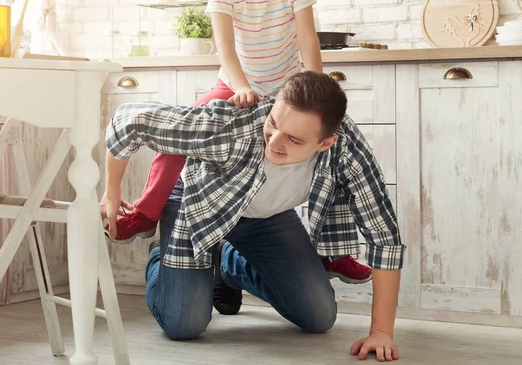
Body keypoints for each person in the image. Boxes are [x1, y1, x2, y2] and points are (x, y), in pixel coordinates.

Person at [100, 0, 371, 284]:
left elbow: (307, 39)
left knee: (332, 143)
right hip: (236, 84)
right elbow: (225, 50)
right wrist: (242, 86)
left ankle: (334, 250)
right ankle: (146, 211)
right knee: (185, 131)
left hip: (288, 88)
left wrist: (316, 92)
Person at [104, 72, 406, 361]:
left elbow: (385, 239)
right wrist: (111, 191)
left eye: (294, 140)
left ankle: (228, 263)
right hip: (198, 205)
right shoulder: (233, 124)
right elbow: (129, 119)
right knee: (184, 325)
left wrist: (381, 332)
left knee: (318, 315)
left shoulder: (348, 151)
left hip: (266, 216)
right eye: (273, 123)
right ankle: (162, 257)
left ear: (325, 143)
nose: (274, 142)